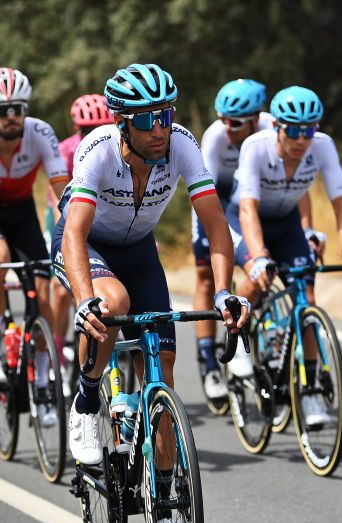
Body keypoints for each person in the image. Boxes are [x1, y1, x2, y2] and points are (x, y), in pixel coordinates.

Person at [53, 63, 249, 473]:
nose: (159, 128)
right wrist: (86, 298)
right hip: (86, 243)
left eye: (165, 115)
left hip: (138, 249)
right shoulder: (98, 149)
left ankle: (163, 497)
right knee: (112, 303)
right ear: (122, 122)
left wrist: (223, 292)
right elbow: (74, 232)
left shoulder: (180, 144)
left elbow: (215, 224)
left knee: (162, 368)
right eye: (145, 119)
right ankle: (87, 401)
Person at [225, 85, 342, 430]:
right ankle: (239, 344)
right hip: (244, 218)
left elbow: (341, 203)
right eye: (295, 130)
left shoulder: (323, 147)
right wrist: (258, 257)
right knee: (257, 277)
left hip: (285, 225)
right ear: (278, 127)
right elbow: (248, 207)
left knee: (308, 299)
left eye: (309, 129)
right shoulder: (256, 147)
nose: (303, 139)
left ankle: (311, 391)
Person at [0, 67, 70, 402]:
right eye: (3, 111)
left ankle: (41, 379)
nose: (11, 117)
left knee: (41, 287)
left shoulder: (41, 133)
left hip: (22, 213)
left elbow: (64, 193)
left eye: (18, 109)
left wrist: (76, 234)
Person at [192, 79, 276, 400]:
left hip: (250, 200)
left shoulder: (272, 129)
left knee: (259, 265)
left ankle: (242, 329)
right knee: (204, 276)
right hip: (216, 202)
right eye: (222, 118)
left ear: (257, 118)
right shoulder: (215, 136)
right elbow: (205, 194)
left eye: (236, 122)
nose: (227, 127)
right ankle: (207, 360)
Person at [47, 93, 113, 361]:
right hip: (64, 212)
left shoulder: (112, 146)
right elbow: (58, 198)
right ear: (77, 128)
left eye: (100, 127)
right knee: (60, 289)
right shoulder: (65, 149)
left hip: (102, 219)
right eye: (88, 129)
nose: (93, 134)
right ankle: (59, 350)